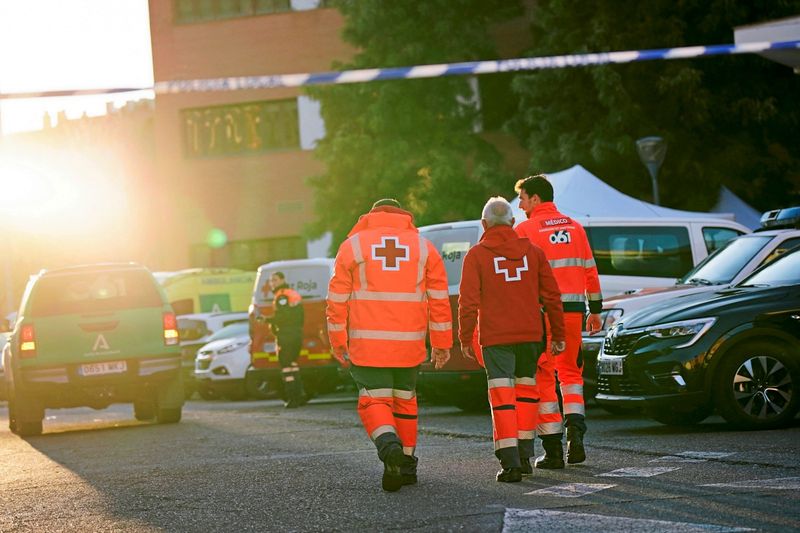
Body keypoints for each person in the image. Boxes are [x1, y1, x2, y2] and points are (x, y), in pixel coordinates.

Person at [326, 198, 452, 492]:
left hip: (368, 345)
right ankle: (406, 466)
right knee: (405, 401)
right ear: (403, 215)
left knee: (374, 401)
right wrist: (442, 343)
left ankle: (389, 448)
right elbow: (439, 300)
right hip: (409, 346)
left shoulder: (354, 246)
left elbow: (336, 301)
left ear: (371, 215)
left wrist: (337, 340)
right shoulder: (424, 248)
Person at [458, 197, 566, 482]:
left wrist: (465, 337)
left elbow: (467, 302)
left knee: (502, 398)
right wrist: (558, 334)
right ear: (513, 222)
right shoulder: (534, 253)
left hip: (496, 339)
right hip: (531, 336)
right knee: (526, 395)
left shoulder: (476, 256)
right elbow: (552, 296)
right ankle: (525, 457)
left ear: (484, 224)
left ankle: (511, 464)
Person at [514, 175, 603, 467]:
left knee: (543, 375)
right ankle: (575, 437)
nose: (520, 205)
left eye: (523, 199)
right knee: (572, 375)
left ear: (535, 198)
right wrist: (596, 310)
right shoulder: (576, 228)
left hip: (543, 315)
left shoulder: (525, 230)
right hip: (574, 313)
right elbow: (590, 270)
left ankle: (552, 450)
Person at [263, 271, 307, 408]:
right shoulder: (292, 293)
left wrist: (266, 319)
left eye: (275, 280)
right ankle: (300, 396)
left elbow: (283, 317)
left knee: (286, 367)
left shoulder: (282, 295)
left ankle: (293, 399)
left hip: (286, 335)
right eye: (271, 281)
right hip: (296, 333)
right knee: (293, 365)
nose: (272, 283)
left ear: (283, 280)